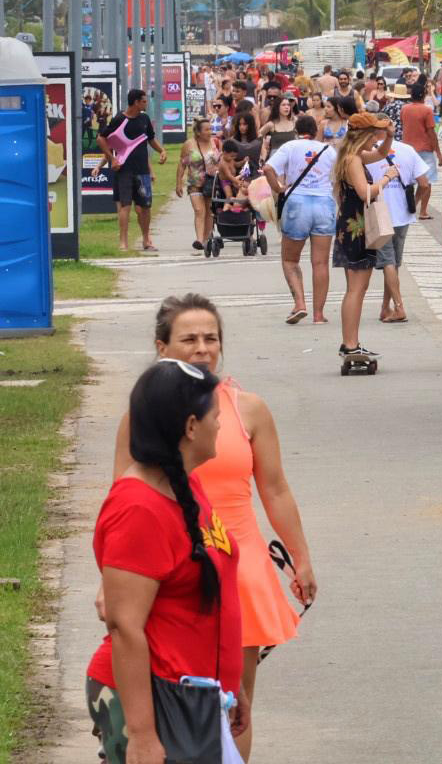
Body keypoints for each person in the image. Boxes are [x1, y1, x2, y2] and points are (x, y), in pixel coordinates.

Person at [108, 295, 318, 762]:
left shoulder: (247, 409)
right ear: (162, 347)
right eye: (189, 339)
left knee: (233, 701)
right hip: (168, 575)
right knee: (174, 694)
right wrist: (111, 583)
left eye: (211, 338)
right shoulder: (141, 418)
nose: (202, 349)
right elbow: (119, 501)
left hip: (239, 570)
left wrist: (300, 558)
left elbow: (276, 489)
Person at [86, 359, 246, 764]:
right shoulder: (138, 509)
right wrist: (140, 735)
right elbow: (125, 626)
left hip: (195, 690)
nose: (221, 425)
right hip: (158, 698)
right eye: (216, 416)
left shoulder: (184, 483)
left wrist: (232, 681)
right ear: (191, 427)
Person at [331, 112, 398, 363]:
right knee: (356, 289)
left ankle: (352, 343)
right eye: (375, 134)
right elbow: (364, 192)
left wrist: (389, 138)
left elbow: (381, 154)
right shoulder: (353, 160)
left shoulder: (353, 156)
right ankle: (350, 344)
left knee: (357, 288)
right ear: (363, 135)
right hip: (356, 228)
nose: (377, 138)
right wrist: (386, 178)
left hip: (353, 226)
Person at [263, 115, 335, 326]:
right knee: (320, 263)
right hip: (323, 203)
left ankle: (300, 303)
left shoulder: (290, 146)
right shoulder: (328, 150)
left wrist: (278, 188)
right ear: (315, 131)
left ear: (297, 130)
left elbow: (268, 168)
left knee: (290, 259)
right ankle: (319, 314)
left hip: (298, 204)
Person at [93, 88, 167, 253]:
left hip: (142, 170)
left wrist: (161, 150)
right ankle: (123, 242)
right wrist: (111, 159)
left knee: (145, 207)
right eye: (144, 101)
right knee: (125, 206)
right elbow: (101, 138)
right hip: (124, 170)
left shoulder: (145, 119)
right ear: (136, 102)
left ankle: (146, 240)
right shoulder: (119, 119)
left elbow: (150, 139)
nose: (146, 103)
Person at [368, 137, 431, 324]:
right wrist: (414, 203)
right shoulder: (407, 149)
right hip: (402, 214)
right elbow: (424, 183)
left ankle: (399, 306)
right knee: (393, 263)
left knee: (388, 261)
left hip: (379, 211)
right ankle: (385, 307)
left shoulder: (368, 151)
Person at [176, 118, 218, 256]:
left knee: (209, 211)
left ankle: (207, 239)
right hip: (195, 184)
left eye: (211, 129)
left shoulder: (215, 142)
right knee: (199, 210)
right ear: (198, 132)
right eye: (206, 130)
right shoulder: (189, 144)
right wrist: (178, 183)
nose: (210, 132)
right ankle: (199, 240)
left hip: (211, 183)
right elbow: (182, 164)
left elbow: (223, 161)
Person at [400, 81, 442, 194]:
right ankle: (422, 210)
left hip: (408, 149)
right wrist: (438, 153)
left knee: (409, 180)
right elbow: (431, 133)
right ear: (423, 95)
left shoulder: (404, 109)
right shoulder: (427, 110)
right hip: (425, 150)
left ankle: (411, 204)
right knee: (427, 181)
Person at [260, 95, 299, 165]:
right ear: (277, 107)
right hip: (276, 158)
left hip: (292, 158)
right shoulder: (271, 124)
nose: (286, 107)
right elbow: (258, 136)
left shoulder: (294, 121)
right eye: (283, 105)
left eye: (288, 105)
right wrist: (264, 148)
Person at [230, 109, 262, 176]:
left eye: (244, 124)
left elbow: (263, 156)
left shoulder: (258, 141)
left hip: (254, 175)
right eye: (240, 124)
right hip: (236, 176)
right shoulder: (232, 141)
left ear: (250, 125)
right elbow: (230, 161)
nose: (242, 127)